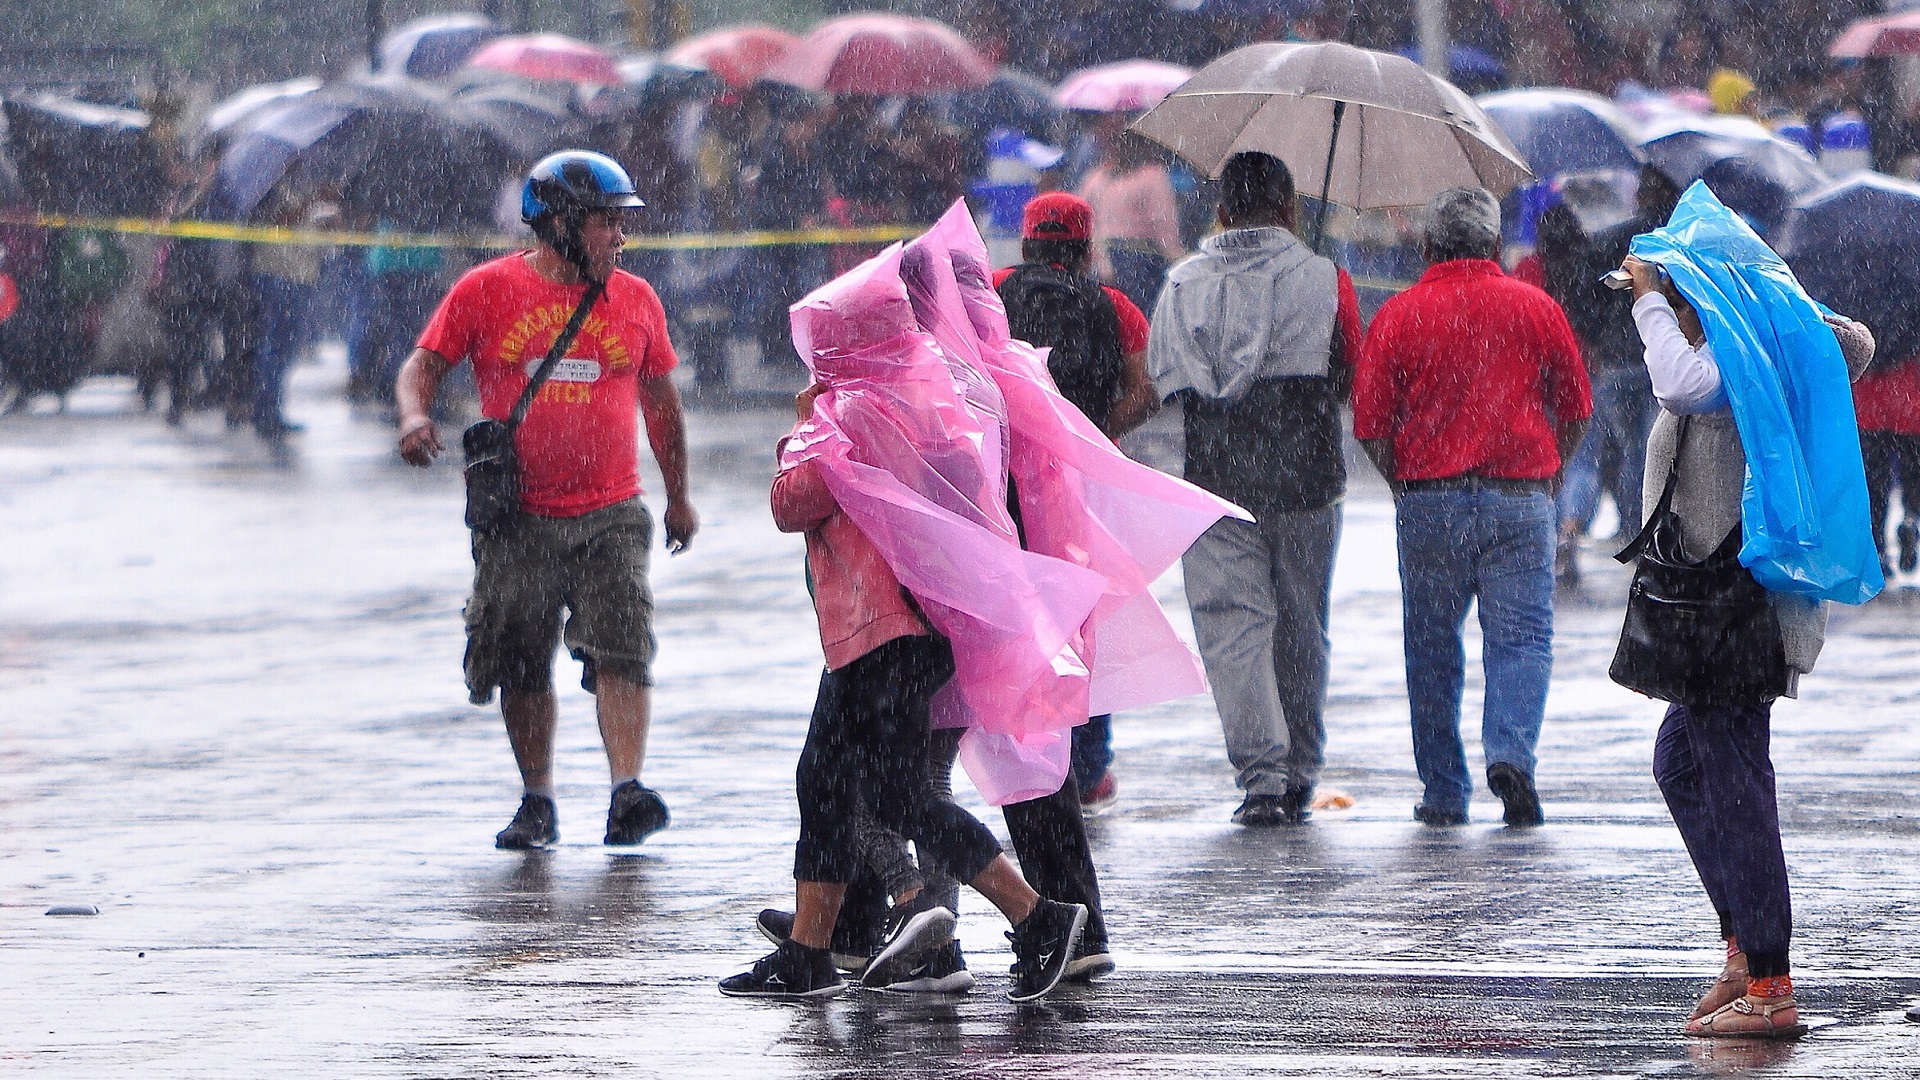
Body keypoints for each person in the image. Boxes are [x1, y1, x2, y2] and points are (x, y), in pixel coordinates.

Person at [721, 282, 1087, 1002]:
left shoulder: (849, 411)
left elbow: (793, 503)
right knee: (828, 782)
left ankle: (1035, 915)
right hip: (917, 625)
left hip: (880, 628)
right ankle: (810, 950)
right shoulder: (926, 398)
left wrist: (801, 428)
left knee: (891, 794)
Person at [393, 151, 698, 850]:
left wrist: (678, 496)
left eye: (621, 222)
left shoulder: (637, 299)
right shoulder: (485, 290)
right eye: (606, 222)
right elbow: (424, 365)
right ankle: (537, 800)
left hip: (613, 511)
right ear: (559, 224)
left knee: (623, 643)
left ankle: (626, 790)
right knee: (521, 655)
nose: (619, 236)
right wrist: (414, 416)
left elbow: (661, 404)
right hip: (518, 517)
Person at [1619, 254, 1875, 1037]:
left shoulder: (1744, 357)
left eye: (1676, 299)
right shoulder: (1738, 354)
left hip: (1735, 608)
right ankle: (1745, 949)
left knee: (1735, 781)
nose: (1669, 315)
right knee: (1683, 763)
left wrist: (1732, 296)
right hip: (1710, 608)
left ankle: (1769, 980)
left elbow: (1681, 382)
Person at [1352, 186, 1592, 828]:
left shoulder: (1398, 314)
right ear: (1494, 244)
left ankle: (1442, 789)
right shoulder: (1536, 306)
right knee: (1522, 637)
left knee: (1431, 648)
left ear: (1427, 246)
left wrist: (1406, 480)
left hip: (1430, 500)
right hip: (1520, 496)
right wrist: (1552, 470)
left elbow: (1370, 424)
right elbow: (1576, 404)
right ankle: (1511, 754)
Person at [1148, 151, 1363, 827]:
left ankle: (1261, 777)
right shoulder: (1326, 278)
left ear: (1220, 211)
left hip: (1215, 476)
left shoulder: (1181, 282)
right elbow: (1348, 371)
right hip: (1306, 478)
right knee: (1301, 624)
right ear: (1289, 208)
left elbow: (1161, 380)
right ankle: (1301, 767)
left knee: (1232, 628)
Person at [992, 191, 1157, 806]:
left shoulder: (992, 291)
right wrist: (1089, 435)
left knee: (1015, 616)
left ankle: (1024, 759)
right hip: (1081, 488)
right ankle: (1087, 770)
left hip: (1005, 483)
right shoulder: (1116, 306)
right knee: (1083, 619)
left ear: (1026, 241)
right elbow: (1145, 392)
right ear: (1087, 247)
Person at [1076, 120, 1184, 312]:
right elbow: (1165, 226)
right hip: (1137, 262)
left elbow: (1085, 222)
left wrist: (1100, 261)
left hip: (1122, 260)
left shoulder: (1098, 178)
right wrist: (1178, 260)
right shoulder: (1150, 177)